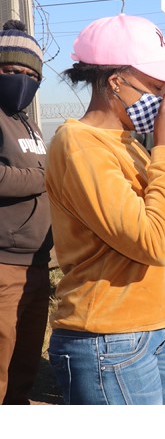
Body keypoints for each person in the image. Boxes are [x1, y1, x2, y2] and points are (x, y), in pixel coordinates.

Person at [46, 13, 165, 404]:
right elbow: (153, 243)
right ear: (116, 81)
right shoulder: (79, 143)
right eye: (157, 87)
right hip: (109, 337)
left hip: (159, 326)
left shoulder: (130, 143)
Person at [0, 21, 52, 405]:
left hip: (36, 264)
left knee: (24, 367)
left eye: (31, 75)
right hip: (4, 265)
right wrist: (43, 177)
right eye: (11, 70)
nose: (22, 80)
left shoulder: (28, 122)